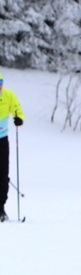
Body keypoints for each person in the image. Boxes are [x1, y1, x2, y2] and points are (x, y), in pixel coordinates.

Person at [0, 71, 25, 222]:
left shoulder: (8, 96)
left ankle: (0, 208)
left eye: (0, 84)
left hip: (2, 140)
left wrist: (19, 118)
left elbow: (17, 109)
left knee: (3, 174)